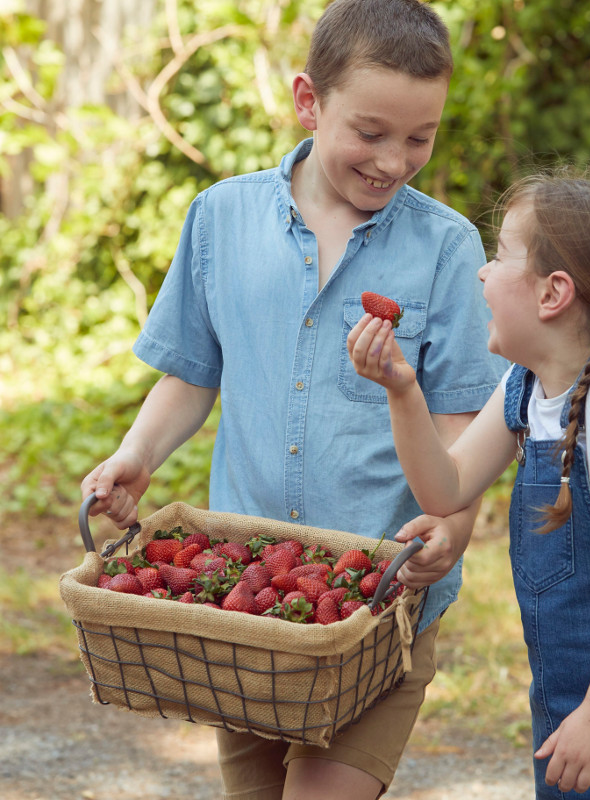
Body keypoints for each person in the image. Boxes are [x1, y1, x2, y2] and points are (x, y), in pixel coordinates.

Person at [79, 1, 505, 798]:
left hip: (376, 604)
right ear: (310, 101)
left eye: (422, 137)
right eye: (371, 132)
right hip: (246, 608)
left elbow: (464, 428)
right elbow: (190, 373)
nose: (394, 160)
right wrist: (136, 456)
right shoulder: (221, 217)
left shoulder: (446, 247)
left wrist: (452, 528)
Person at [348, 168, 590, 798]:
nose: (482, 272)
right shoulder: (528, 385)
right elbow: (445, 491)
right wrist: (401, 389)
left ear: (553, 293)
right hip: (568, 719)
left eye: (500, 256)